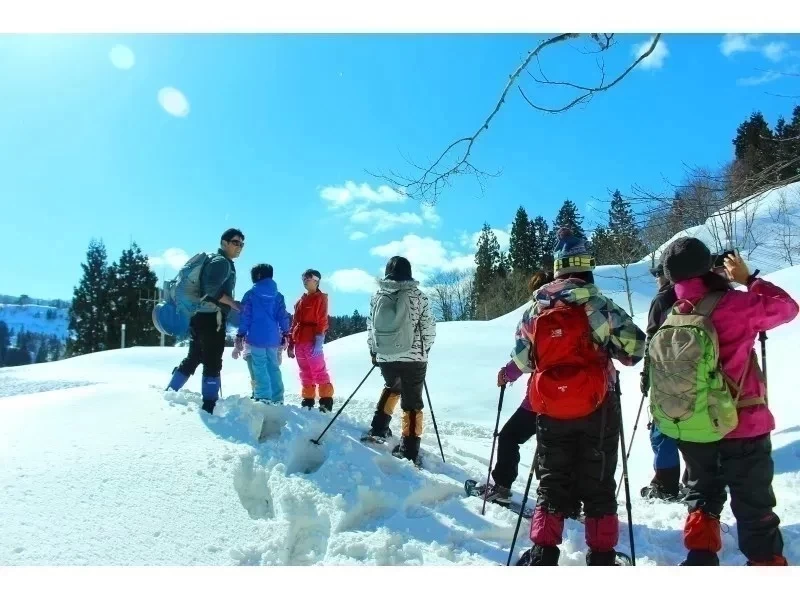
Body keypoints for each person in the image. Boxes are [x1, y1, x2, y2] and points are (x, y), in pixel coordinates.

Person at [498, 228, 645, 566]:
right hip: (599, 405)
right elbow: (635, 349)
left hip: (550, 408)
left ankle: (543, 553)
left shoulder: (534, 310)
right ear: (587, 265)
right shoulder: (598, 304)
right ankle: (603, 556)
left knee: (552, 480)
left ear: (557, 266)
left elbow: (522, 359)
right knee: (599, 482)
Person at [653, 238, 798, 566]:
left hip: (693, 426)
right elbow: (787, 308)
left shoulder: (674, 312)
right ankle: (765, 564)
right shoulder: (735, 304)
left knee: (702, 498)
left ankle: (701, 559)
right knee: (754, 505)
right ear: (709, 267)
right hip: (743, 423)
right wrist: (749, 279)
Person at [477, 271, 552, 505]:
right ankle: (561, 500)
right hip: (580, 398)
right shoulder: (582, 311)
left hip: (541, 397)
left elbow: (524, 357)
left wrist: (507, 374)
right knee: (554, 449)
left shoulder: (536, 315)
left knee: (509, 437)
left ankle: (502, 487)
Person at [364, 256, 436, 465]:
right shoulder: (418, 297)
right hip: (414, 358)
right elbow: (428, 328)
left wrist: (373, 351)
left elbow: (371, 326)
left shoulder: (377, 296)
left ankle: (379, 428)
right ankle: (410, 449)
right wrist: (425, 349)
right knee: (412, 402)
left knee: (392, 387)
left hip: (385, 356)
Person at [166, 228, 243, 414]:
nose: (239, 247)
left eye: (241, 243)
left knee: (195, 356)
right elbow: (210, 290)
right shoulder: (221, 262)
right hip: (211, 317)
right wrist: (233, 304)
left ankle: (170, 391)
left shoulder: (215, 260)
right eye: (235, 242)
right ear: (224, 243)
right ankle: (209, 405)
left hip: (198, 315)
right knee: (212, 360)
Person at [639, 261, 684, 501]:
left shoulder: (662, 299)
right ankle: (693, 480)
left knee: (662, 430)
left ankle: (666, 484)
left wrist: (646, 375)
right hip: (699, 372)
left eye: (657, 274)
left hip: (666, 374)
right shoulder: (696, 293)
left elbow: (652, 340)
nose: (656, 279)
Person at [232, 263, 291, 405]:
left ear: (257, 276)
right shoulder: (278, 296)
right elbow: (282, 316)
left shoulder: (250, 295)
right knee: (274, 367)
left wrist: (241, 334)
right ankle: (277, 397)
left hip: (256, 337)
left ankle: (263, 396)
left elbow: (246, 316)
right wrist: (286, 332)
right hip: (273, 338)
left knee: (259, 367)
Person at [288, 269, 334, 412]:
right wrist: (291, 342)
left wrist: (320, 338)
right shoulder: (300, 301)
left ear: (316, 280)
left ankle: (326, 400)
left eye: (308, 278)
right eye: (303, 278)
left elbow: (322, 318)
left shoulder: (320, 298)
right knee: (304, 371)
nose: (305, 281)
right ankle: (308, 399)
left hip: (312, 339)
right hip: (299, 340)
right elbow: (294, 322)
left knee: (318, 370)